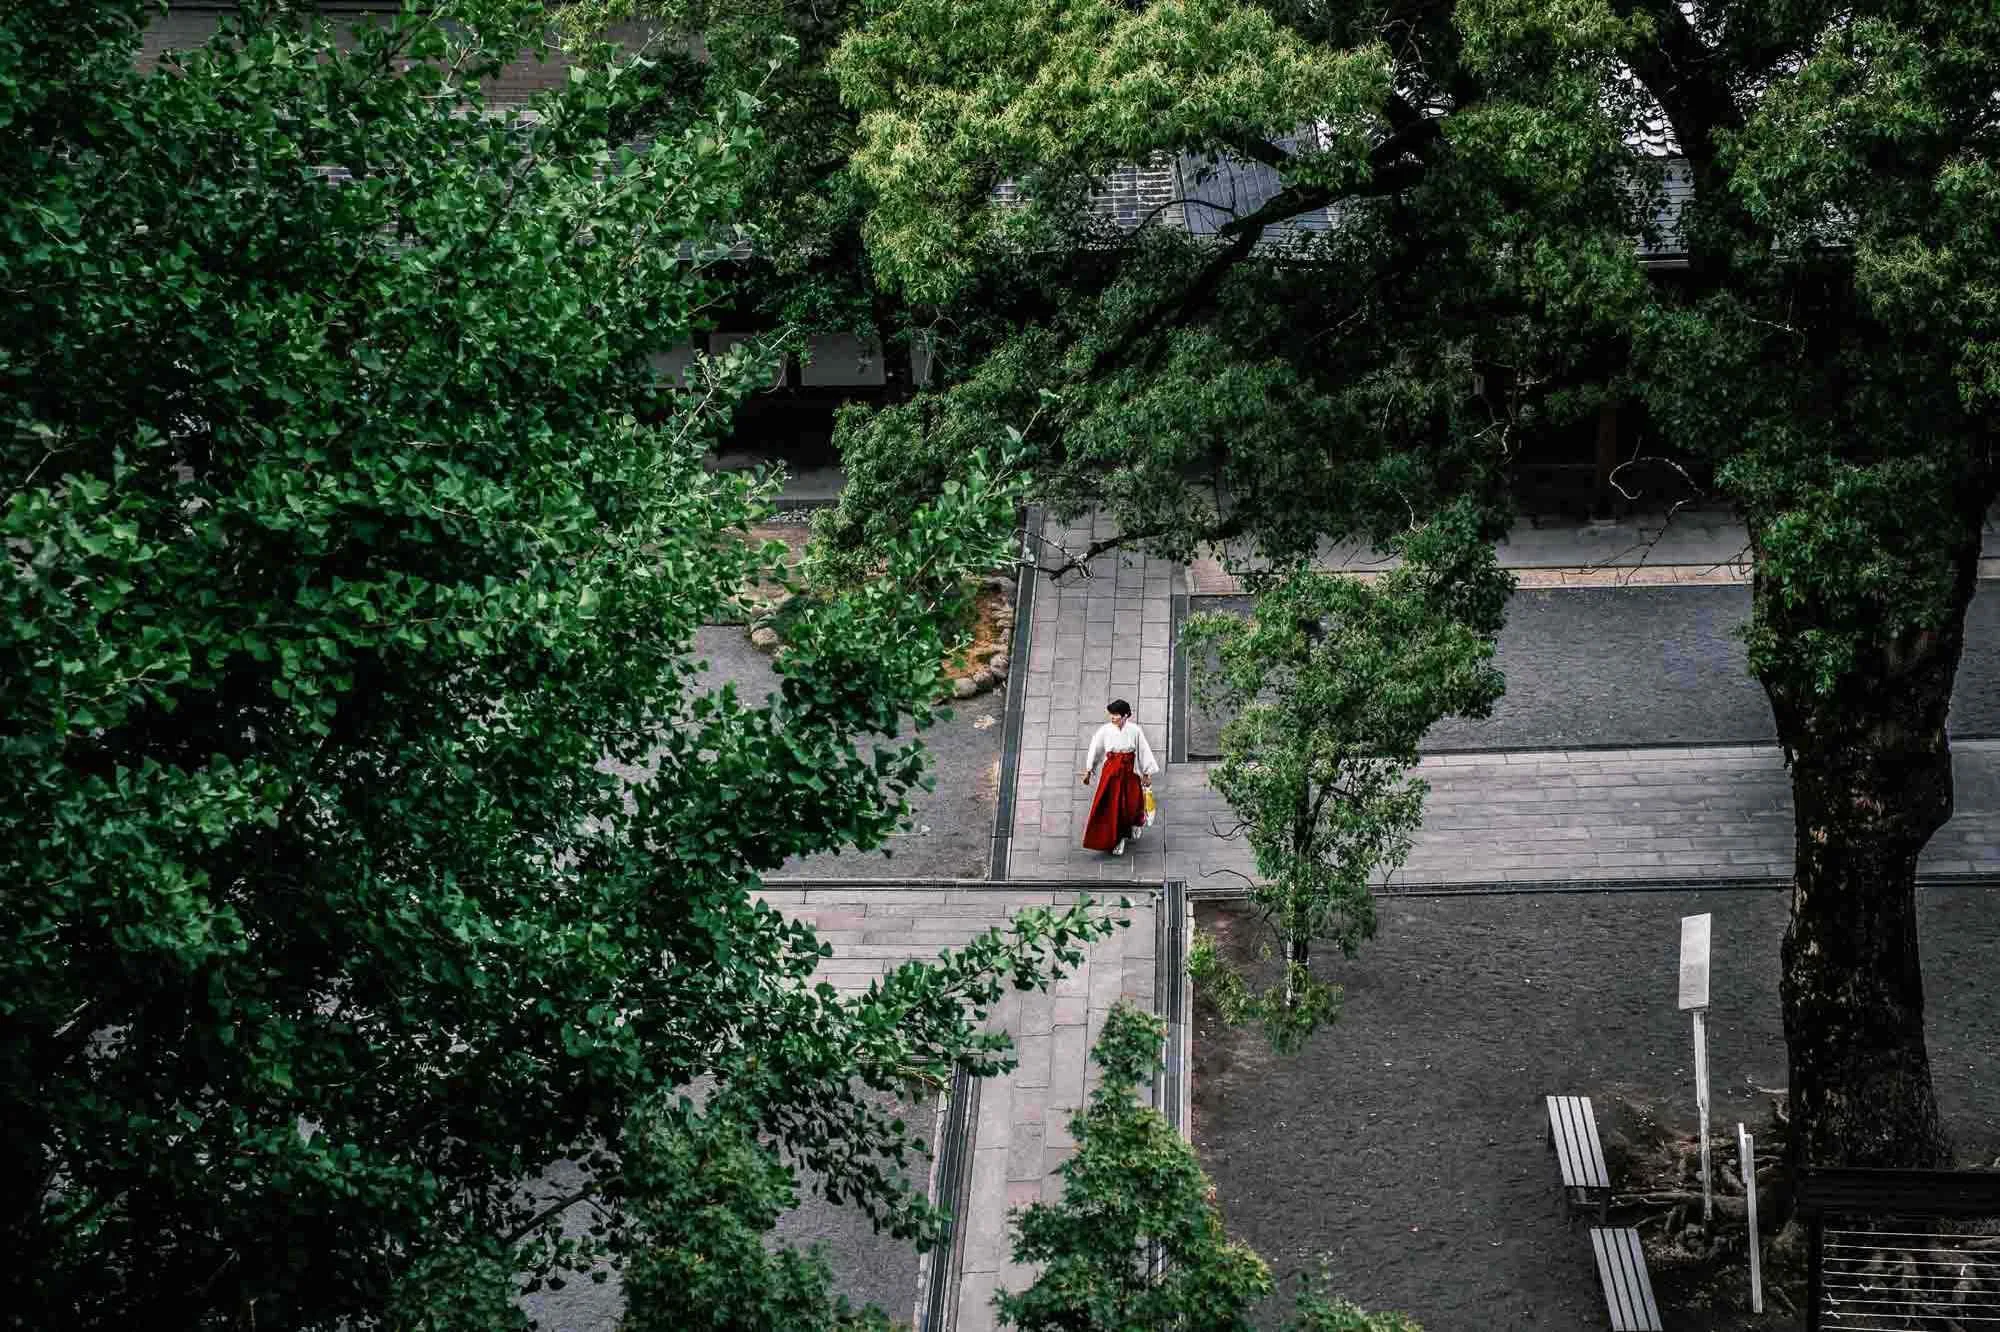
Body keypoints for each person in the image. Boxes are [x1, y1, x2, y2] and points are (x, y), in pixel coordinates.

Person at [1079, 698, 1158, 856]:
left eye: (1116, 715)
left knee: (1132, 804)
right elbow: (1096, 749)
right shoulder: (1105, 731)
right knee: (1112, 807)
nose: (1112, 717)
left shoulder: (1135, 731)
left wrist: (1147, 773)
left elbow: (1143, 751)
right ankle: (1118, 838)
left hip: (1129, 773)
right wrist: (1089, 770)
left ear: (1125, 716)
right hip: (1111, 774)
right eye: (1112, 714)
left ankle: (1136, 823)